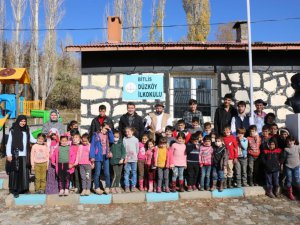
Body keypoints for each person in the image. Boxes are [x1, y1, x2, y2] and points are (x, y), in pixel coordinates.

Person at [6, 115, 37, 198]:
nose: (23, 123)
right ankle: (14, 190)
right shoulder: (13, 130)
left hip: (24, 155)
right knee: (15, 172)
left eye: (24, 121)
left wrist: (41, 141)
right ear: (18, 121)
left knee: (24, 172)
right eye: (21, 121)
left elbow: (32, 139)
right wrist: (9, 154)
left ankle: (23, 189)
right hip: (15, 155)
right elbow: (9, 143)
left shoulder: (27, 130)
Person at [90, 123, 114, 195]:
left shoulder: (107, 135)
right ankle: (97, 187)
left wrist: (110, 131)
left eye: (107, 129)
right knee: (97, 172)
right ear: (101, 127)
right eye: (105, 128)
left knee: (107, 172)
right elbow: (92, 146)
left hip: (105, 156)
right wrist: (92, 156)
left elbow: (112, 140)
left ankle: (107, 187)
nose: (106, 130)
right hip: (98, 156)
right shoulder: (96, 135)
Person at [282, 136, 300, 200]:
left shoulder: (298, 147)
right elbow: (283, 158)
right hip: (288, 166)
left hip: (297, 166)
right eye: (288, 141)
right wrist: (280, 163)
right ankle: (290, 193)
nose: (289, 142)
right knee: (289, 180)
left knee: (297, 179)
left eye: (291, 141)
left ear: (294, 141)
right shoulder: (286, 149)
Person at [123, 126, 140, 192]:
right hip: (127, 159)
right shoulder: (124, 139)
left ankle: (133, 186)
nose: (127, 133)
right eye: (126, 132)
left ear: (132, 132)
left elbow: (137, 149)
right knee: (126, 173)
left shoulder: (136, 139)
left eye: (128, 131)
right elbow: (124, 150)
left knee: (134, 173)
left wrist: (135, 157)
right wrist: (125, 158)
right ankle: (127, 186)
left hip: (134, 159)